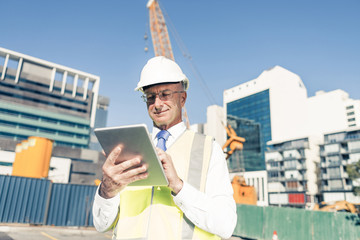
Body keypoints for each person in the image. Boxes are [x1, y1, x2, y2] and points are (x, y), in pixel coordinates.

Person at [92, 56, 237, 240]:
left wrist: (178, 186)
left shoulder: (209, 149)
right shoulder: (128, 149)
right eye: (150, 97)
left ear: (182, 98)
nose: (157, 104)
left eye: (165, 94)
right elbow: (101, 225)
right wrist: (107, 190)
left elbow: (226, 225)